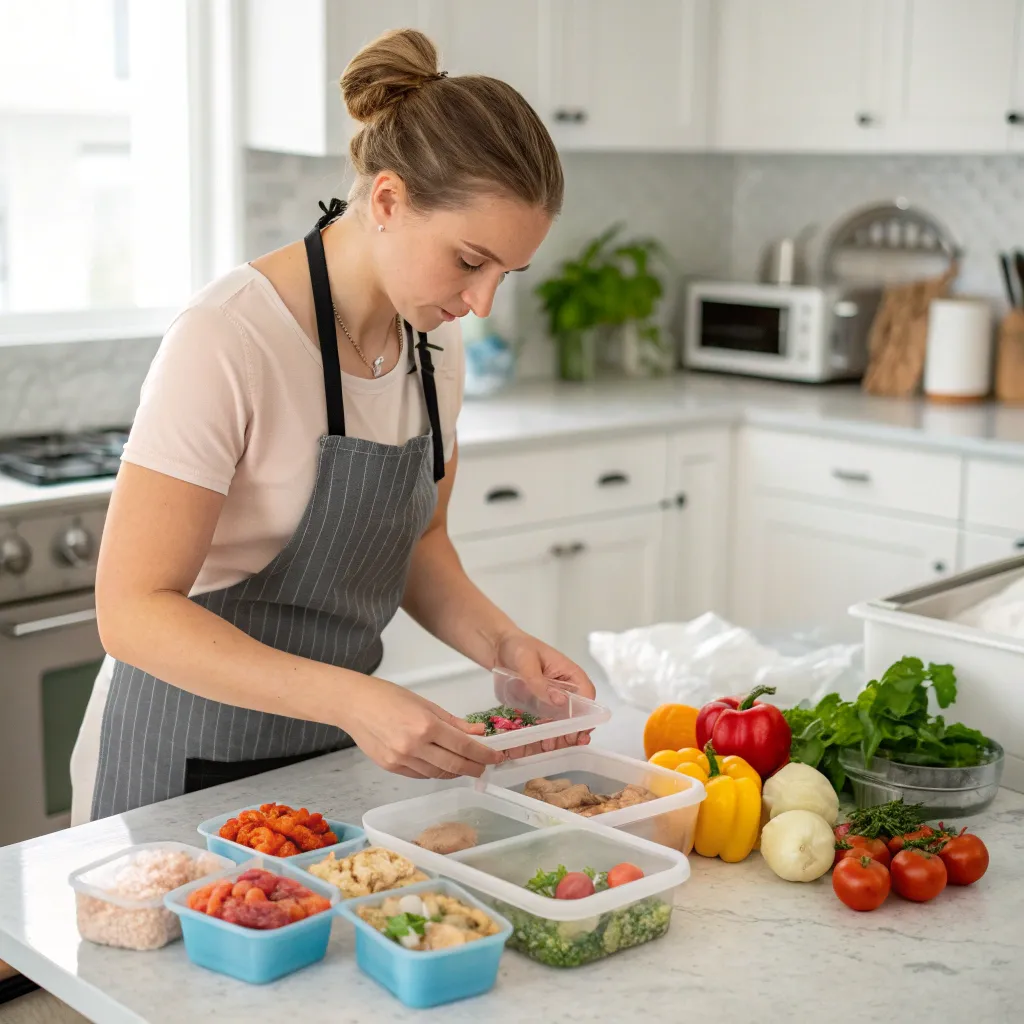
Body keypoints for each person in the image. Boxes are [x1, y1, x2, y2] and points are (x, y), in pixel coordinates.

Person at [69, 27, 594, 824]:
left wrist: (503, 645)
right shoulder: (229, 336)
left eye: (505, 275)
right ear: (386, 200)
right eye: (468, 260)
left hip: (325, 762)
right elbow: (132, 609)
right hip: (178, 764)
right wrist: (355, 699)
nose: (483, 302)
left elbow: (421, 543)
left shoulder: (435, 344)